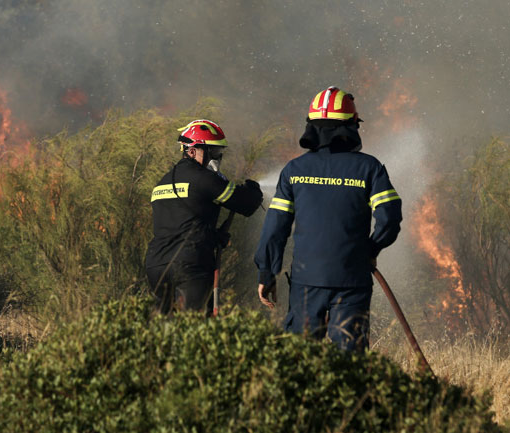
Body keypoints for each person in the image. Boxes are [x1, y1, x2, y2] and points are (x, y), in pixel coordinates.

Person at [254, 87, 402, 351]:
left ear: (312, 127)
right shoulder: (370, 168)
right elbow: (389, 218)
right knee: (348, 363)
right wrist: (370, 249)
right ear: (351, 125)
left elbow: (275, 227)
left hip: (306, 283)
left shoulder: (294, 170)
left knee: (300, 358)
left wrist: (267, 271)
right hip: (352, 280)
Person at [145, 119, 263, 315]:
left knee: (163, 331)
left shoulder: (162, 182)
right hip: (190, 265)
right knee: (194, 327)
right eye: (213, 152)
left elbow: (182, 224)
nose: (216, 158)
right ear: (191, 150)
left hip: (156, 266)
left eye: (218, 153)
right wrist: (253, 190)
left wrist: (213, 236)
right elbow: (247, 204)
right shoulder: (204, 178)